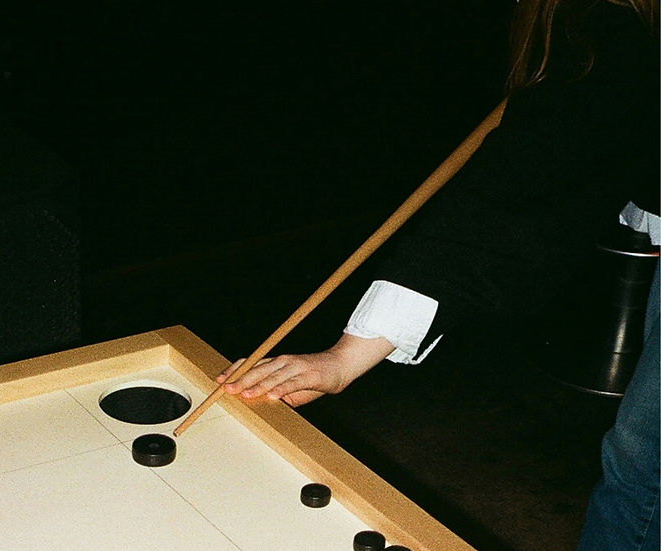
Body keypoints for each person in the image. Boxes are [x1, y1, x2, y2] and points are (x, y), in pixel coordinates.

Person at [217, 1, 659, 549]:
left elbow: (515, 195)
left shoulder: (601, 23)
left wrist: (347, 356)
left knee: (644, 467)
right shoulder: (612, 37)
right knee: (642, 463)